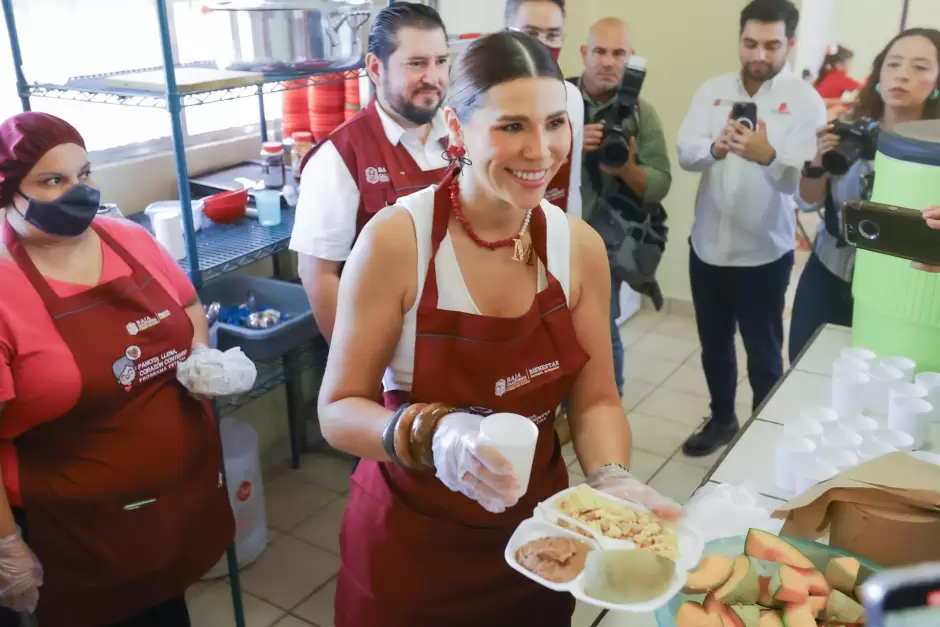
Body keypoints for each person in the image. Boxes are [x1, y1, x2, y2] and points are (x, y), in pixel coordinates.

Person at [317, 31, 680, 627]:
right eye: (512, 126)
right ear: (456, 131)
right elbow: (337, 411)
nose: (541, 150)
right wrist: (431, 431)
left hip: (538, 545)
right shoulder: (397, 241)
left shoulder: (576, 247)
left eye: (555, 124)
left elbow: (596, 403)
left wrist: (611, 480)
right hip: (412, 555)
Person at [0, 112, 233, 626]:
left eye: (84, 174)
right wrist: (7, 544)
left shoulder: (129, 238)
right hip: (77, 533)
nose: (79, 191)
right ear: (8, 192)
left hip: (173, 505)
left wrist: (199, 356)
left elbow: (189, 305)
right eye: (53, 180)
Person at [676, 0, 826, 457]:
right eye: (750, 43)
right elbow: (686, 153)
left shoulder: (805, 102)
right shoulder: (712, 90)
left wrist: (768, 155)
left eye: (771, 45)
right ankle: (723, 419)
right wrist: (714, 148)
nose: (759, 55)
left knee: (764, 355)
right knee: (714, 347)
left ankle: (763, 439)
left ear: (790, 44)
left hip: (765, 254)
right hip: (707, 248)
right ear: (739, 39)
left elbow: (806, 193)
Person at [290, 2, 451, 344]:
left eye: (441, 61)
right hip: (391, 355)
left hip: (463, 341)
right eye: (417, 63)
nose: (434, 78)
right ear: (376, 68)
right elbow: (319, 275)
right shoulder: (339, 157)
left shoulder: (460, 135)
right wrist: (360, 373)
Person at [788, 28, 940, 362]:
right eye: (893, 63)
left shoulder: (935, 150)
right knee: (804, 368)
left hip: (900, 288)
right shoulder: (847, 128)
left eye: (920, 67)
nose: (902, 74)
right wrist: (815, 164)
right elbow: (808, 200)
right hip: (829, 273)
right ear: (877, 74)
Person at [573, 16, 672, 397]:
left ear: (630, 59)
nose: (608, 61)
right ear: (584, 53)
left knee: (601, 331)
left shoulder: (640, 114)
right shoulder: (556, 100)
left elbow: (660, 182)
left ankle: (607, 409)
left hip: (603, 246)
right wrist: (569, 145)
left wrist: (626, 168)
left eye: (619, 53)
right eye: (600, 51)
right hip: (548, 237)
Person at [504, 0, 584, 218]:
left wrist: (571, 235)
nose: (541, 45)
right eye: (530, 33)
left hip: (552, 226)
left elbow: (571, 183)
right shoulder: (486, 96)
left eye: (553, 35)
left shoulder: (572, 99)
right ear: (506, 34)